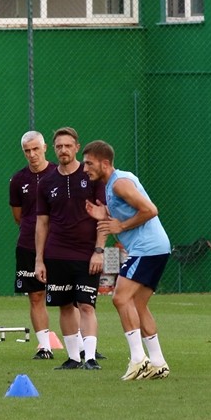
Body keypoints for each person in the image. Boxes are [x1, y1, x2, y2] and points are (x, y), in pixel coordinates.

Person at [82, 140, 172, 380]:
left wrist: (120, 225)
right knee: (138, 304)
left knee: (120, 298)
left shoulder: (120, 183)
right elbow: (131, 213)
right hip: (155, 248)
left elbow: (150, 210)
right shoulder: (113, 184)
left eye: (89, 163)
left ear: (105, 163)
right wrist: (105, 215)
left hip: (148, 248)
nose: (85, 168)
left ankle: (137, 359)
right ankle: (158, 362)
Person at [34, 127, 104, 370]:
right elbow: (42, 223)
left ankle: (91, 357)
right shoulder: (46, 182)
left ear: (76, 147)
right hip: (57, 254)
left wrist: (99, 250)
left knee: (86, 304)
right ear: (54, 149)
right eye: (59, 146)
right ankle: (74, 358)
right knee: (64, 305)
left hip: (87, 254)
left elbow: (103, 217)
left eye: (68, 145)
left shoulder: (91, 177)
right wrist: (39, 260)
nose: (63, 150)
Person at [9, 130, 57, 359]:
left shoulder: (60, 173)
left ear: (45, 147)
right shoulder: (18, 179)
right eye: (27, 151)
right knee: (36, 296)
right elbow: (18, 215)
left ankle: (84, 348)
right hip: (28, 244)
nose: (32, 154)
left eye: (36, 149)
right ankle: (44, 346)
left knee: (71, 298)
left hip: (60, 244)